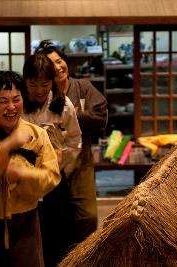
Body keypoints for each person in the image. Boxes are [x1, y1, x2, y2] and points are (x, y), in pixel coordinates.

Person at [0, 71, 61, 267]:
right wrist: (7, 146)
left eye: (16, 99)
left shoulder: (37, 134)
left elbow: (51, 177)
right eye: (2, 101)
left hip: (26, 222)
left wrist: (23, 173)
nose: (11, 107)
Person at [34, 40, 108, 245]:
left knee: (87, 216)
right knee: (54, 218)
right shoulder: (41, 96)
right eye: (51, 64)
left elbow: (100, 117)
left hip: (81, 161)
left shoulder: (83, 87)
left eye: (59, 61)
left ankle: (83, 255)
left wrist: (72, 118)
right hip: (49, 164)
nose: (58, 67)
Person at [22, 54, 82, 266]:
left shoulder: (63, 104)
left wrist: (63, 164)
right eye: (32, 84)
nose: (39, 91)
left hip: (55, 177)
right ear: (25, 81)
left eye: (45, 84)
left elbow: (75, 138)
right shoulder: (18, 103)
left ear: (53, 81)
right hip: (25, 179)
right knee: (29, 233)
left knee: (59, 232)